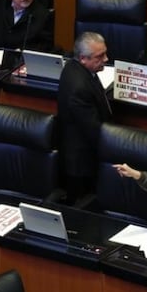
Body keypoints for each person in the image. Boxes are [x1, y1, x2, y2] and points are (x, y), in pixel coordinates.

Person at [58, 32, 111, 200]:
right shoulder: (79, 87)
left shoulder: (72, 67)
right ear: (83, 59)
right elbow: (93, 129)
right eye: (100, 56)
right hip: (81, 161)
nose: (106, 59)